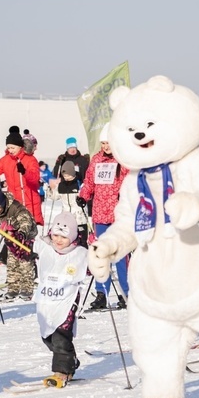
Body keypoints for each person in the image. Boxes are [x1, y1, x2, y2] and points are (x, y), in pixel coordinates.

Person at [32, 211, 89, 387]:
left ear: (71, 236)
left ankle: (62, 372)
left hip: (67, 300)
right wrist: (13, 238)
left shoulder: (80, 252)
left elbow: (92, 268)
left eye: (63, 237)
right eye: (55, 235)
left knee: (61, 335)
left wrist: (99, 255)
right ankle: (69, 359)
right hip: (47, 300)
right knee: (48, 335)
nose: (58, 240)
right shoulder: (44, 247)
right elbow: (22, 251)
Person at [77, 125, 130, 309]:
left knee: (121, 254)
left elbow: (129, 182)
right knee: (100, 253)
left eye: (108, 143)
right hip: (100, 213)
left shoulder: (122, 159)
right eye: (103, 143)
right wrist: (83, 195)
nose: (106, 146)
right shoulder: (97, 159)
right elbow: (89, 181)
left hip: (117, 214)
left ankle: (126, 293)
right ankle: (102, 293)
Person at [0, 190, 38, 301]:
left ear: (3, 203)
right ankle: (13, 288)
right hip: (10, 236)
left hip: (25, 235)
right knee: (12, 262)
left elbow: (25, 221)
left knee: (24, 261)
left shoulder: (15, 207)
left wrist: (21, 233)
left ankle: (27, 288)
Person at [52, 161, 88, 247]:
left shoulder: (79, 184)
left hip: (79, 218)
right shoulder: (61, 186)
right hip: (66, 218)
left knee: (81, 241)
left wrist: (82, 200)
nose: (66, 177)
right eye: (64, 176)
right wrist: (49, 190)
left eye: (68, 175)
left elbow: (86, 196)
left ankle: (83, 255)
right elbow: (55, 196)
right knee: (69, 241)